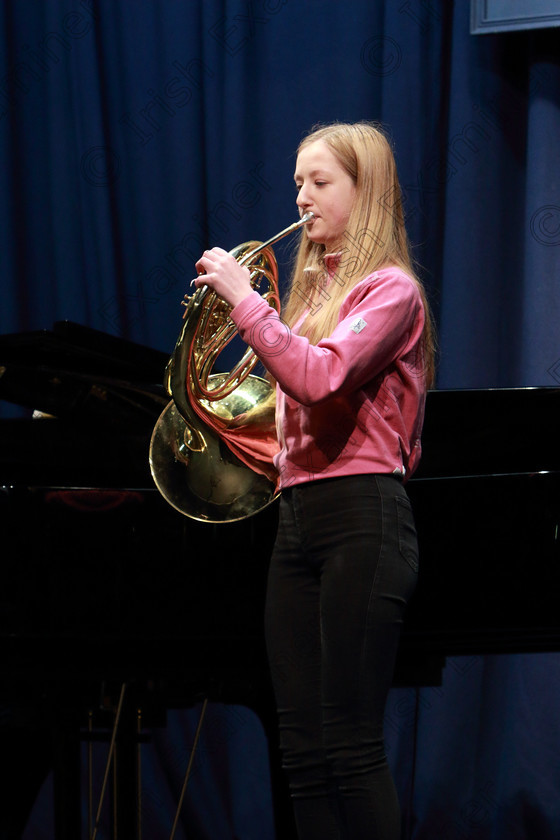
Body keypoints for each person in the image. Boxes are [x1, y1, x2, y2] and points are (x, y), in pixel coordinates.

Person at [193, 121, 435, 840]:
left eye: (320, 182)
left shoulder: (390, 292)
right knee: (301, 750)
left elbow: (319, 377)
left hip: (363, 516)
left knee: (349, 747)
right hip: (297, 518)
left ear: (366, 194)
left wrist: (245, 302)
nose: (301, 197)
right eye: (298, 181)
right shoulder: (307, 299)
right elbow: (288, 424)